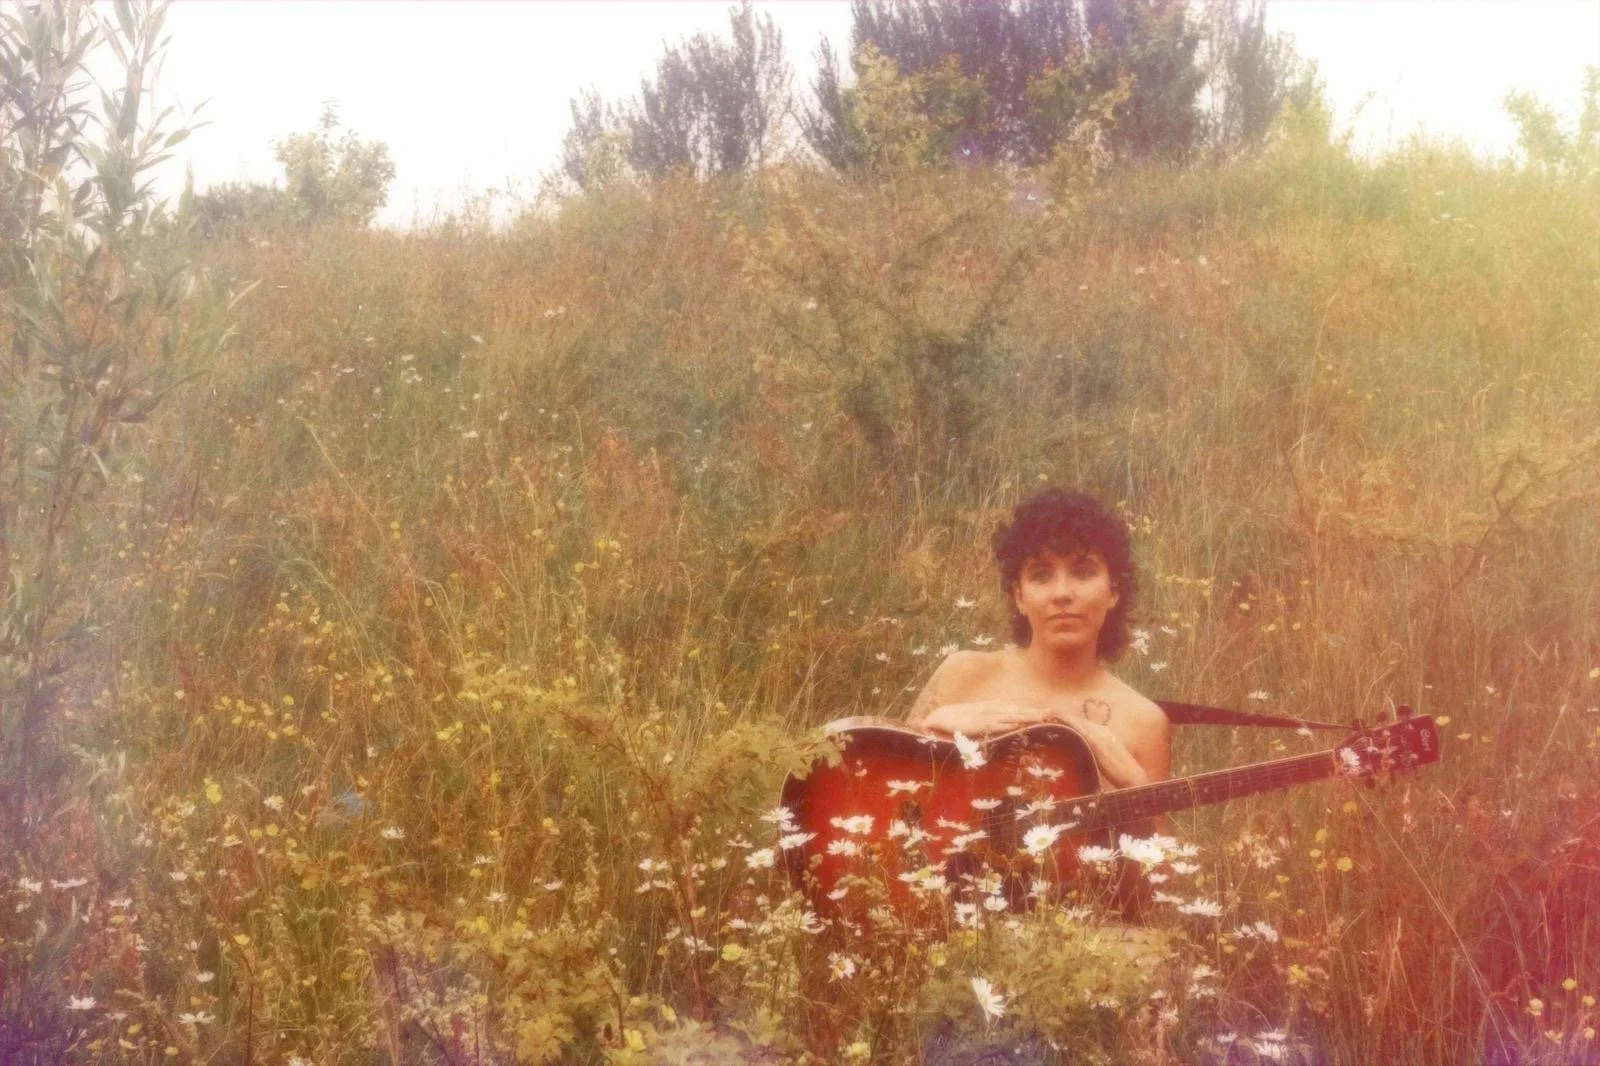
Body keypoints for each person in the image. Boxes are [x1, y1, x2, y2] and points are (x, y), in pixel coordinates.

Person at [906, 486, 1171, 796]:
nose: (1062, 593)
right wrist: (932, 727)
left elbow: (1157, 844)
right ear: (1019, 596)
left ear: (1113, 591)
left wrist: (1134, 784)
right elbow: (890, 797)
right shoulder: (962, 674)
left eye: (1083, 572)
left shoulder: (1144, 721)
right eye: (1041, 575)